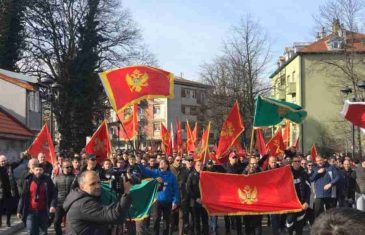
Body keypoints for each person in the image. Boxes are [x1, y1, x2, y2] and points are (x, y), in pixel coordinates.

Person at [63, 170, 132, 235]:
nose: (98, 186)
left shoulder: (84, 196)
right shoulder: (84, 204)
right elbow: (116, 216)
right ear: (82, 187)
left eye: (99, 182)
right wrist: (126, 192)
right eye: (92, 184)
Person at [138, 159, 180, 235]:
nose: (161, 163)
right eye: (160, 162)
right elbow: (145, 171)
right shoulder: (155, 173)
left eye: (163, 162)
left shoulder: (172, 176)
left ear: (167, 165)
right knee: (156, 220)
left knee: (166, 221)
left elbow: (176, 190)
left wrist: (175, 201)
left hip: (168, 201)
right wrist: (139, 163)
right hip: (156, 201)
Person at [17, 163, 57, 235]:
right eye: (36, 170)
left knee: (43, 232)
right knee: (31, 231)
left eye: (40, 170)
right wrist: (19, 210)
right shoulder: (28, 181)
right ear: (33, 171)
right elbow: (23, 196)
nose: (38, 171)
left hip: (43, 211)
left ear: (43, 171)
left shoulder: (47, 181)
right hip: (30, 211)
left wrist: (52, 205)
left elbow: (54, 194)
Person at [286, 155, 310, 235]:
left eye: (298, 161)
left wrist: (307, 201)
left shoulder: (304, 174)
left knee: (299, 226)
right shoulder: (286, 173)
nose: (297, 163)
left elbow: (308, 189)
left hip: (301, 203)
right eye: (295, 161)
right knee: (290, 223)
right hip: (290, 203)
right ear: (292, 163)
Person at [0, 154, 24, 227]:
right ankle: (0, 221)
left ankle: (8, 221)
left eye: (4, 161)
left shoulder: (10, 166)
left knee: (9, 207)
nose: (3, 162)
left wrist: (22, 157)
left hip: (9, 191)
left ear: (6, 161)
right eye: (1, 161)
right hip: (0, 191)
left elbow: (18, 163)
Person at [223, 152, 244, 235]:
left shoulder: (239, 167)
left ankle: (239, 231)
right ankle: (228, 230)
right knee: (226, 214)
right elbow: (212, 170)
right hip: (227, 194)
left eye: (236, 157)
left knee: (238, 214)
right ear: (229, 158)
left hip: (236, 194)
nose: (235, 158)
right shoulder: (224, 166)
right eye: (233, 157)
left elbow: (248, 168)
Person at [53, 160, 75, 235]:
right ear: (62, 167)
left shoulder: (75, 178)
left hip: (71, 203)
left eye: (70, 167)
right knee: (56, 222)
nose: (69, 168)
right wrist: (53, 204)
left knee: (72, 223)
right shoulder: (56, 178)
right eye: (67, 167)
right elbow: (53, 191)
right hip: (60, 203)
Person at [186, 160, 209, 235]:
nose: (200, 167)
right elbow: (188, 189)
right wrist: (196, 198)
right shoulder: (191, 175)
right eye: (198, 165)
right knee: (196, 221)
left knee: (205, 220)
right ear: (195, 166)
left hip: (204, 202)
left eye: (201, 165)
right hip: (195, 202)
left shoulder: (207, 175)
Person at [170, 155, 190, 235]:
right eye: (177, 160)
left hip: (182, 197)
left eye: (180, 160)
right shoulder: (169, 169)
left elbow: (187, 183)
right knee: (171, 217)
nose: (179, 162)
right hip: (172, 197)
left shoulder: (184, 170)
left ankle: (181, 233)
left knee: (181, 217)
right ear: (174, 160)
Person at [242, 157, 262, 235]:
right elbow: (239, 181)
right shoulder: (245, 172)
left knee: (257, 224)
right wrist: (246, 172)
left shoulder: (260, 172)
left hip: (257, 202)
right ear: (249, 164)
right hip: (247, 203)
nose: (253, 165)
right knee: (248, 224)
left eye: (255, 163)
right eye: (252, 163)